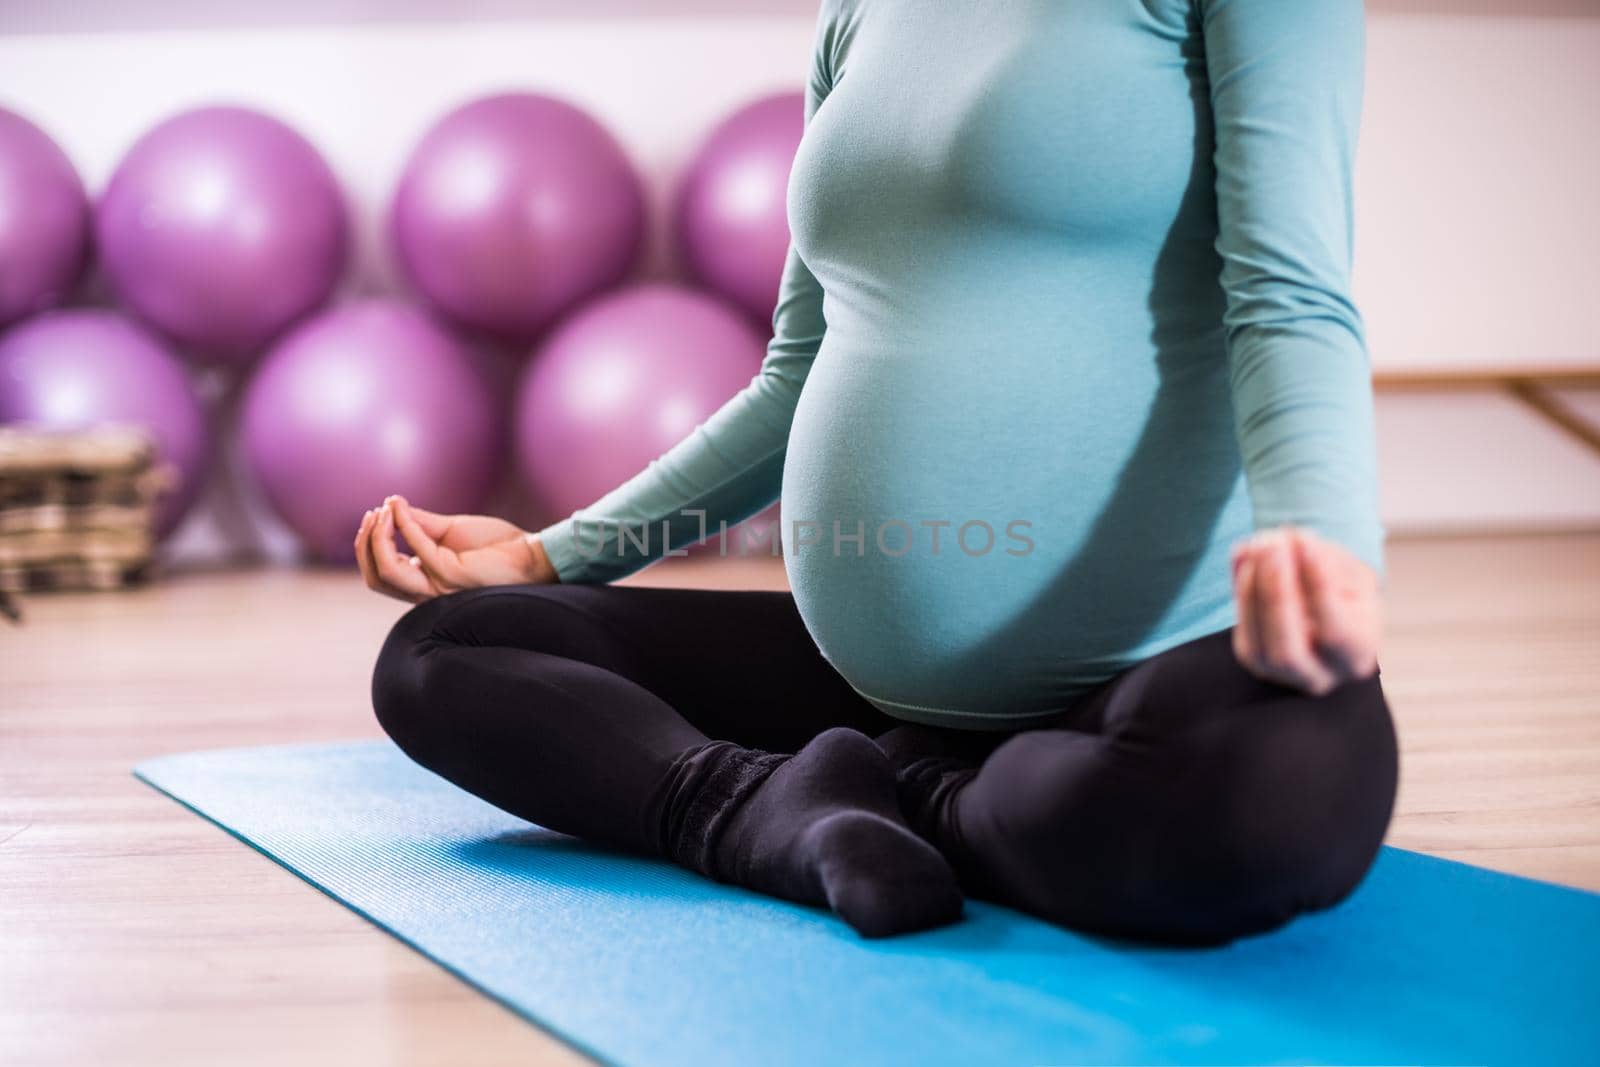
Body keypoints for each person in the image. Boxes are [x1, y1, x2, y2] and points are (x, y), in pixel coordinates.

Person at [359, 0, 1399, 944]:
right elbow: (793, 377)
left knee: (1290, 790)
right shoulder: (859, 8)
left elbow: (1289, 300)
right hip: (862, 677)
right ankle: (751, 812)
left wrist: (1330, 541)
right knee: (447, 649)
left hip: (1137, 663)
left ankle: (909, 793)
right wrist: (553, 552)